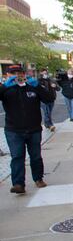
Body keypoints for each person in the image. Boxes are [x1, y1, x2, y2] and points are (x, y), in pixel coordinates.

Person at [1, 64, 56, 193]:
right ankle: (18, 183)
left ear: (24, 74)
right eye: (13, 73)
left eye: (19, 73)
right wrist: (4, 87)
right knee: (17, 156)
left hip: (34, 128)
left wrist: (37, 86)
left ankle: (38, 178)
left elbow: (49, 98)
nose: (17, 76)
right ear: (8, 75)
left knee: (35, 156)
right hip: (13, 130)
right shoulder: (6, 89)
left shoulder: (32, 87)